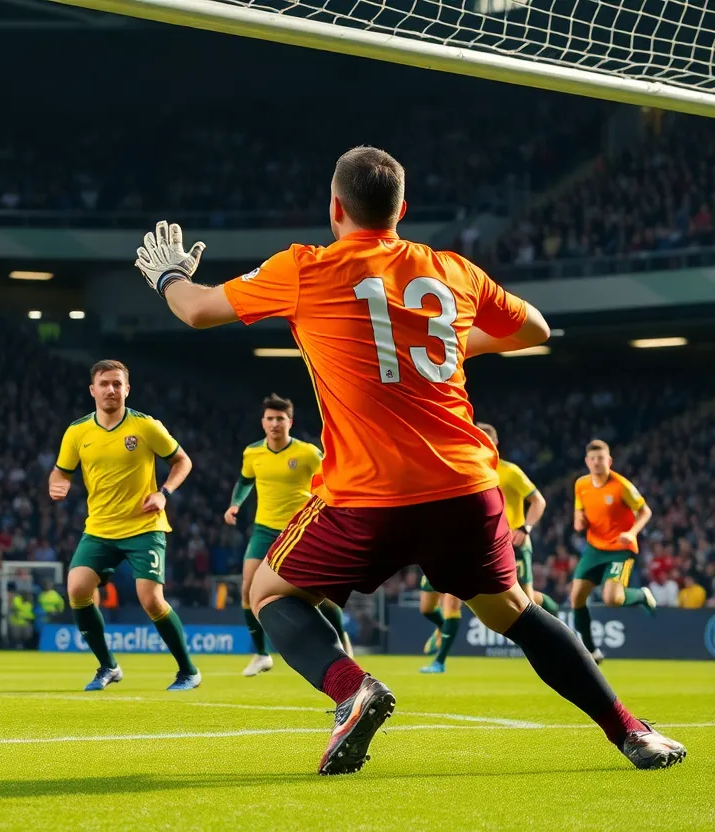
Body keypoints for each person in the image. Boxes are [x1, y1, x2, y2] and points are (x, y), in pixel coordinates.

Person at [132, 146, 685, 774]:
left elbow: (198, 310)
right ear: (403, 209)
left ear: (335, 206)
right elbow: (533, 328)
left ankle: (351, 688)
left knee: (266, 592)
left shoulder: (307, 267)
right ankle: (632, 731)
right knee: (518, 613)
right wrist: (445, 349)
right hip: (465, 488)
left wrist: (169, 275)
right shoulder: (450, 269)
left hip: (370, 494)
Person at [49, 359, 200, 692]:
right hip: (100, 528)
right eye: (104, 383)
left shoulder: (145, 427)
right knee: (77, 589)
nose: (111, 390)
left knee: (150, 599)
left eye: (118, 384)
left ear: (127, 389)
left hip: (144, 527)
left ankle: (188, 671)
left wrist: (164, 493)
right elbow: (61, 470)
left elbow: (182, 460)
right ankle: (108, 666)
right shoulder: (77, 432)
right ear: (93, 390)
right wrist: (56, 482)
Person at [224, 394, 350, 676]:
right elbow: (244, 481)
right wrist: (235, 504)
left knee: (323, 595)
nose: (274, 423)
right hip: (263, 528)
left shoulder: (307, 453)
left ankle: (341, 641)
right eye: (270, 418)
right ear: (263, 422)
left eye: (280, 418)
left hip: (300, 529)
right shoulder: (252, 453)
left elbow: (331, 480)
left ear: (289, 422)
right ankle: (260, 653)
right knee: (247, 589)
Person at [572, 440, 656, 663]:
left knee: (612, 598)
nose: (597, 463)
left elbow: (645, 511)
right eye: (593, 459)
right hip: (594, 547)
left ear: (609, 461)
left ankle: (642, 595)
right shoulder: (581, 484)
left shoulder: (621, 486)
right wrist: (579, 521)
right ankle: (592, 651)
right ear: (587, 462)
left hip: (620, 548)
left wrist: (632, 532)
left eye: (601, 458)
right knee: (576, 598)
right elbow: (579, 512)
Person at [478, 422, 557, 616]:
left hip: (515, 542)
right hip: (488, 545)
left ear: (496, 442)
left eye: (487, 440)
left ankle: (550, 614)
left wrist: (525, 528)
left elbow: (538, 501)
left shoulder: (510, 471)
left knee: (525, 601)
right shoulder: (473, 474)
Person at [417, 578, 462, 674]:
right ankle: (443, 628)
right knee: (426, 609)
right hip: (434, 566)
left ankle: (439, 662)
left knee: (452, 605)